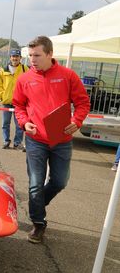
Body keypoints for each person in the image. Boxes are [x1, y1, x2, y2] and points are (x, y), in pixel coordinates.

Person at [12, 36, 90, 244]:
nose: (32, 60)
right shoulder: (24, 79)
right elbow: (18, 105)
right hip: (35, 139)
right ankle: (39, 223)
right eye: (30, 56)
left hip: (62, 139)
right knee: (36, 184)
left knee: (59, 181)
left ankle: (35, 205)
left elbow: (83, 103)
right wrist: (24, 122)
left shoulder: (68, 76)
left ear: (50, 54)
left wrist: (77, 120)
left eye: (37, 55)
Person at [0, 49, 28, 151]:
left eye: (17, 56)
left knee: (20, 125)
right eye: (13, 56)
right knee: (5, 123)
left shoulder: (25, 69)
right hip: (7, 103)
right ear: (10, 58)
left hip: (20, 104)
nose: (15, 58)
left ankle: (18, 143)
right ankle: (6, 141)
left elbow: (30, 84)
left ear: (20, 58)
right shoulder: (4, 70)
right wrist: (2, 97)